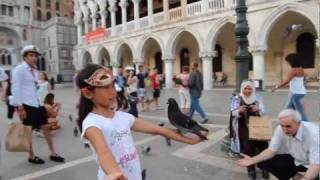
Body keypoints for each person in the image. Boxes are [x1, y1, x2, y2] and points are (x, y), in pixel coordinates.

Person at [77, 64, 205, 180]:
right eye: (106, 87)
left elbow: (159, 129)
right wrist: (114, 174)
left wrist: (188, 140)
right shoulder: (92, 124)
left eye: (112, 85)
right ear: (88, 93)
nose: (113, 92)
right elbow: (103, 152)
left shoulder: (123, 117)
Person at [11, 45, 64, 164]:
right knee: (28, 132)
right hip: (26, 105)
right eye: (31, 55)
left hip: (38, 104)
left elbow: (36, 88)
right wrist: (20, 107)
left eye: (35, 56)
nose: (34, 58)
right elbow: (15, 89)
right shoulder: (19, 70)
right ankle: (31, 156)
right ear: (24, 57)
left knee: (46, 128)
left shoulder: (35, 71)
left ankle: (53, 153)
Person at [237, 109, 320, 180]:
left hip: (313, 163)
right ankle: (295, 176)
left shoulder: (314, 135)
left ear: (298, 123)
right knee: (263, 161)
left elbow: (315, 165)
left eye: (288, 126)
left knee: (312, 175)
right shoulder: (280, 129)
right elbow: (271, 150)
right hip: (296, 159)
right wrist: (253, 160)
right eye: (282, 125)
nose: (284, 129)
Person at [230, 81, 269, 179]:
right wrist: (238, 111)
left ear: (253, 89)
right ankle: (251, 169)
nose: (247, 91)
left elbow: (264, 110)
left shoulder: (258, 97)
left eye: (250, 88)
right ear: (242, 89)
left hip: (257, 125)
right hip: (243, 125)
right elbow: (232, 112)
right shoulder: (236, 99)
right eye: (245, 89)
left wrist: (258, 108)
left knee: (263, 145)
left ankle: (265, 167)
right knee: (248, 147)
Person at [272, 53, 309, 121]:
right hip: (300, 92)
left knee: (300, 112)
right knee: (288, 110)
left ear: (292, 61)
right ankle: (284, 122)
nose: (287, 63)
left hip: (296, 94)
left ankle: (307, 125)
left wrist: (276, 87)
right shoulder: (301, 69)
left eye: (288, 61)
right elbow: (305, 77)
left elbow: (287, 81)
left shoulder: (293, 70)